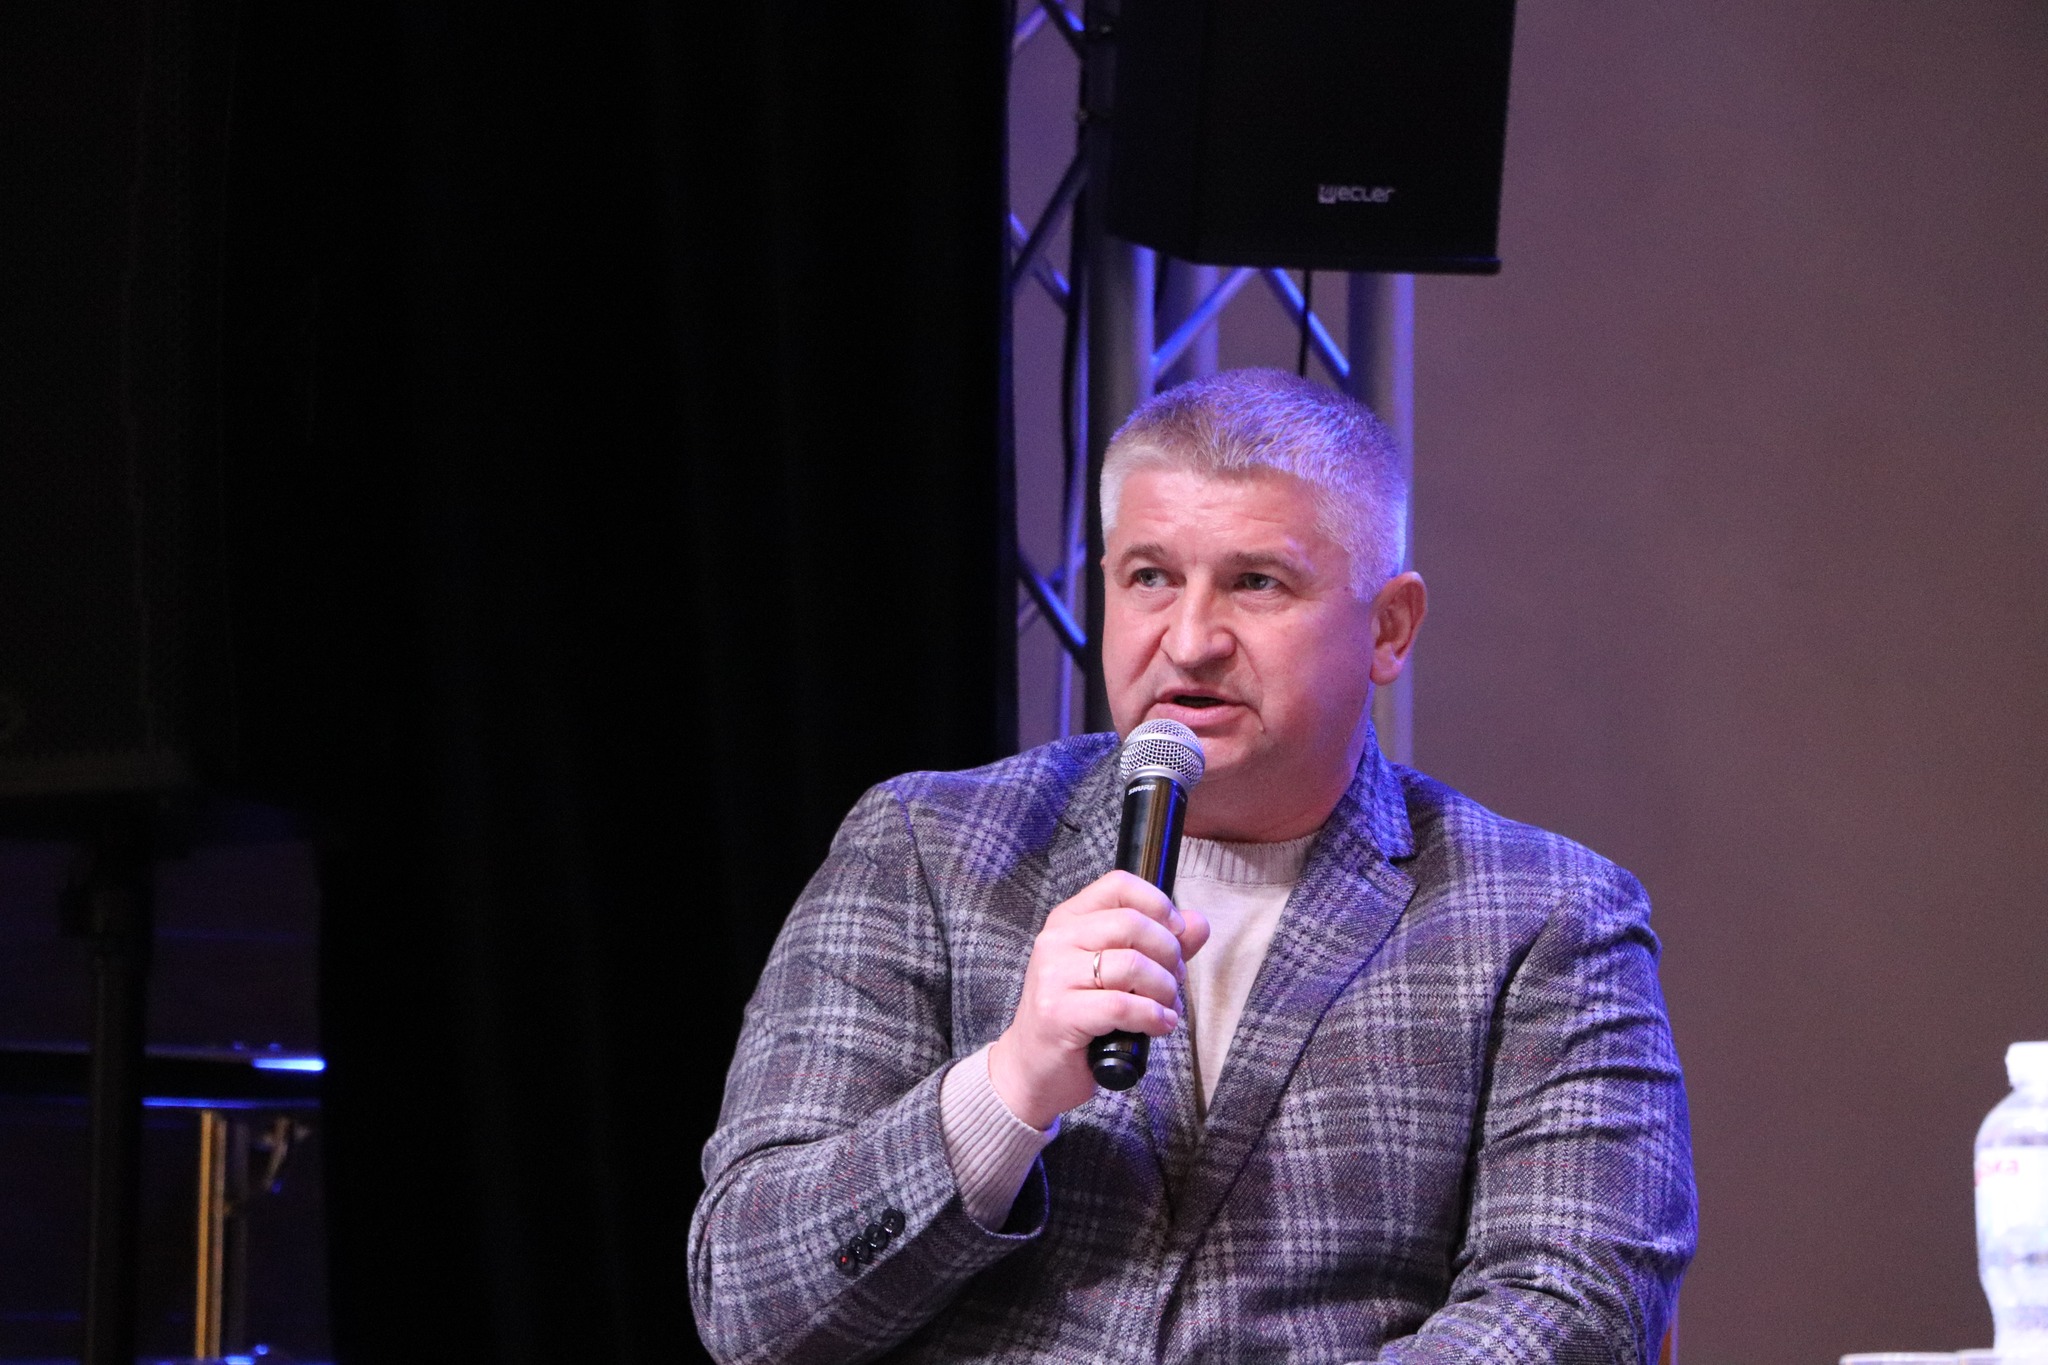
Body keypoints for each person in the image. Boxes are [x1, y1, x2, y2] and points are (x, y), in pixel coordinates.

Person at [688, 368, 1696, 1363]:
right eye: (1150, 578)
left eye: (1256, 583)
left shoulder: (1543, 915)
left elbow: (1573, 1306)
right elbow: (750, 1304)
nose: (1190, 640)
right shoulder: (926, 846)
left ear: (1387, 628)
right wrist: (1007, 1087)